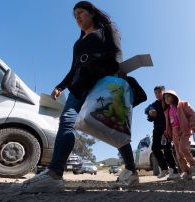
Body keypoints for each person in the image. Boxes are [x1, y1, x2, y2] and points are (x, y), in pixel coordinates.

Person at [14, 1, 138, 192]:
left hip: (102, 83)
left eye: (80, 12)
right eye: (75, 15)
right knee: (66, 121)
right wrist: (60, 86)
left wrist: (114, 78)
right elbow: (74, 69)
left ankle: (131, 169)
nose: (77, 17)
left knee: (112, 126)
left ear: (92, 13)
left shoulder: (107, 30)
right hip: (79, 87)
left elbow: (116, 55)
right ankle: (54, 174)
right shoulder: (78, 43)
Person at [162, 90, 195, 180]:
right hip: (174, 132)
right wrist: (167, 133)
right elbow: (169, 124)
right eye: (165, 98)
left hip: (184, 130)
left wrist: (193, 126)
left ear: (174, 96)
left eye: (168, 96)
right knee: (178, 154)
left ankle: (193, 165)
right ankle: (186, 172)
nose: (166, 99)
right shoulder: (167, 111)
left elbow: (192, 114)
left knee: (183, 148)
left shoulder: (183, 105)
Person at [145, 86, 180, 180]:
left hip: (167, 129)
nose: (157, 95)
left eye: (159, 92)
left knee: (167, 148)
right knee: (155, 148)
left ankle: (174, 171)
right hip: (157, 129)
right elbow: (147, 110)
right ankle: (164, 169)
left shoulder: (168, 102)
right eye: (155, 93)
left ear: (164, 92)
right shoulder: (154, 104)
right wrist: (150, 112)